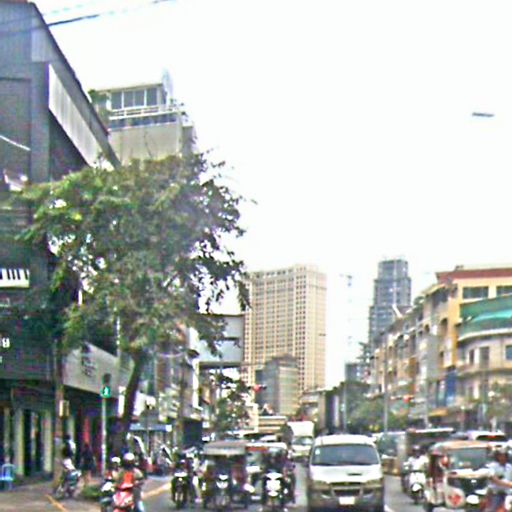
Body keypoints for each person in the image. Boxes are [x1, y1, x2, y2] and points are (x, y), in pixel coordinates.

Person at [486, 446, 512, 512]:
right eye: (500, 456)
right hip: (496, 494)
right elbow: (493, 478)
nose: (502, 458)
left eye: (504, 456)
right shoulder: (493, 466)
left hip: (508, 493)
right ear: (497, 457)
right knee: (493, 510)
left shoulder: (509, 467)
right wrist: (507, 484)